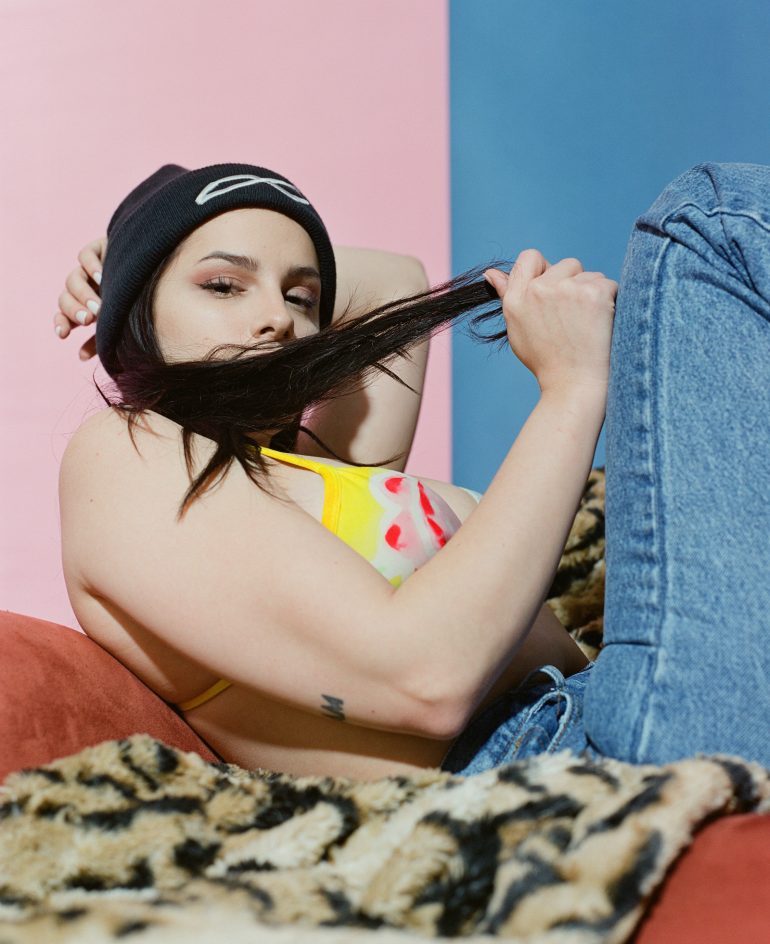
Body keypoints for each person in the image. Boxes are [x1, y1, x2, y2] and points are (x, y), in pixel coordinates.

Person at [54, 160, 770, 781]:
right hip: (560, 755)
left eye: (301, 298)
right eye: (221, 285)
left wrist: (143, 243)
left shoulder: (312, 465)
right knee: (709, 218)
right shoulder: (125, 452)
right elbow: (425, 681)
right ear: (140, 314)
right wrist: (573, 388)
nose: (278, 319)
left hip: (614, 704)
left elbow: (391, 280)